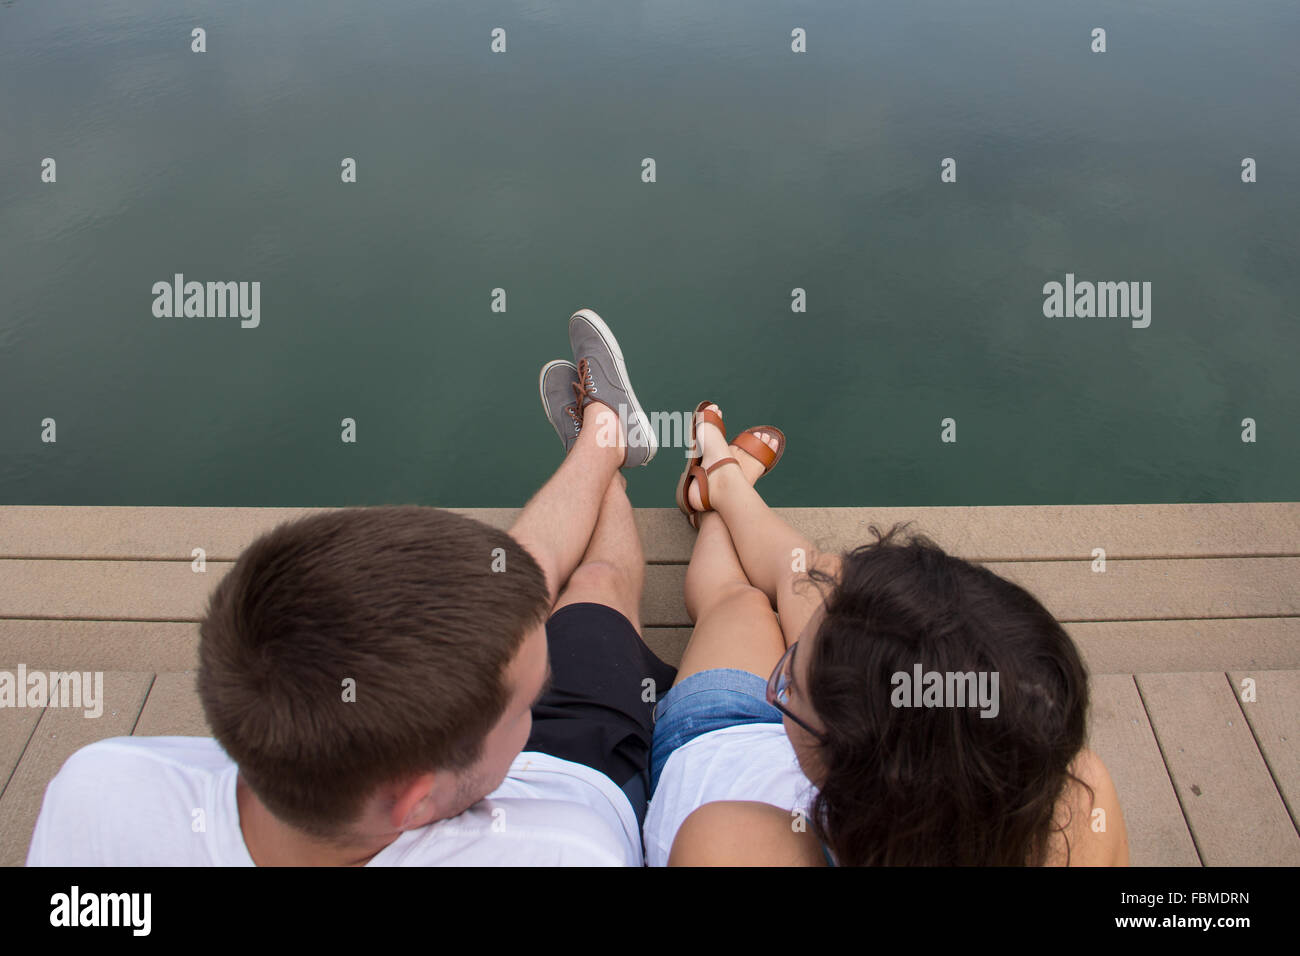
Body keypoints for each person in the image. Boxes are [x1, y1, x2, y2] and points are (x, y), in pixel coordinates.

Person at [26, 309, 676, 866]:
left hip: (426, 746)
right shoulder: (568, 848)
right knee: (598, 586)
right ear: (416, 800)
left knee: (502, 587)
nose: (537, 702)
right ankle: (605, 448)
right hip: (573, 765)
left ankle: (599, 441)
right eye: (528, 703)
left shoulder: (101, 792)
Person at [644, 403, 1129, 866]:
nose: (783, 670)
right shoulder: (1074, 795)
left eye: (789, 682)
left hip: (727, 751)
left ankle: (707, 503)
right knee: (814, 574)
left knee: (736, 602)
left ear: (844, 784)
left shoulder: (729, 845)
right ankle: (726, 486)